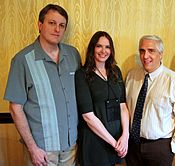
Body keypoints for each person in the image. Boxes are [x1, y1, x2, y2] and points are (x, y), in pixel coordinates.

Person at [4, 4, 81, 166]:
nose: (57, 29)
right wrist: (32, 148)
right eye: (51, 23)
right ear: (40, 25)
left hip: (71, 147)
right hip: (42, 151)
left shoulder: (73, 55)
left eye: (61, 25)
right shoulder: (22, 60)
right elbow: (15, 108)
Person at [125, 35, 175, 166]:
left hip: (160, 148)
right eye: (142, 51)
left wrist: (172, 147)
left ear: (161, 54)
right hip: (133, 145)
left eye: (151, 51)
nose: (145, 56)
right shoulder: (131, 76)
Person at [75, 31, 129, 166]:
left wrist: (125, 136)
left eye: (107, 47)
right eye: (99, 46)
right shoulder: (82, 75)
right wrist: (113, 143)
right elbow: (88, 116)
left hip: (117, 137)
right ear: (92, 48)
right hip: (95, 140)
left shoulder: (116, 71)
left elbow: (122, 106)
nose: (103, 51)